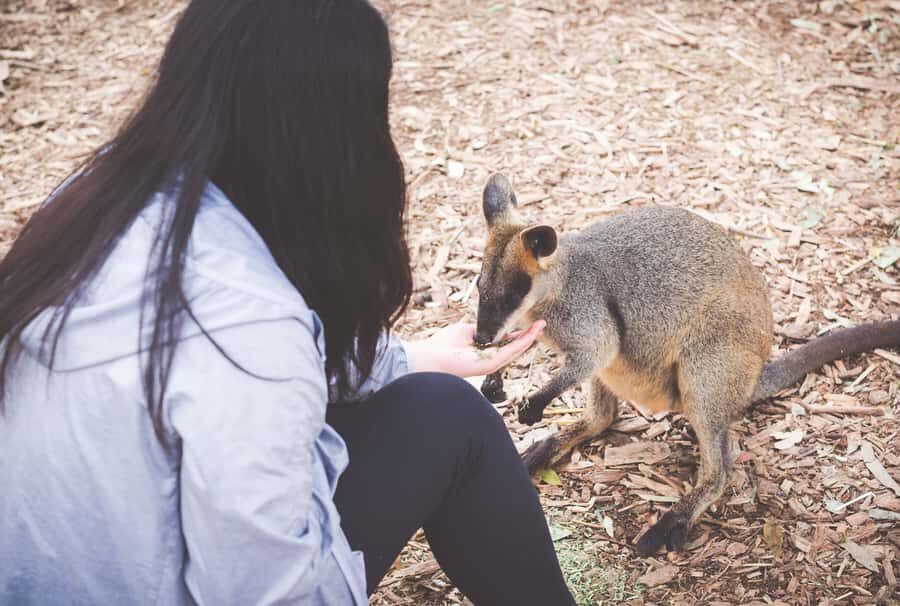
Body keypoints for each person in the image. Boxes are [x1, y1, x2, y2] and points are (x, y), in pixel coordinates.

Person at [0, 1, 576, 604]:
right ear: (334, 134)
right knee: (453, 419)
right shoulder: (250, 328)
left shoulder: (94, 203)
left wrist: (410, 357)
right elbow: (268, 594)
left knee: (432, 397)